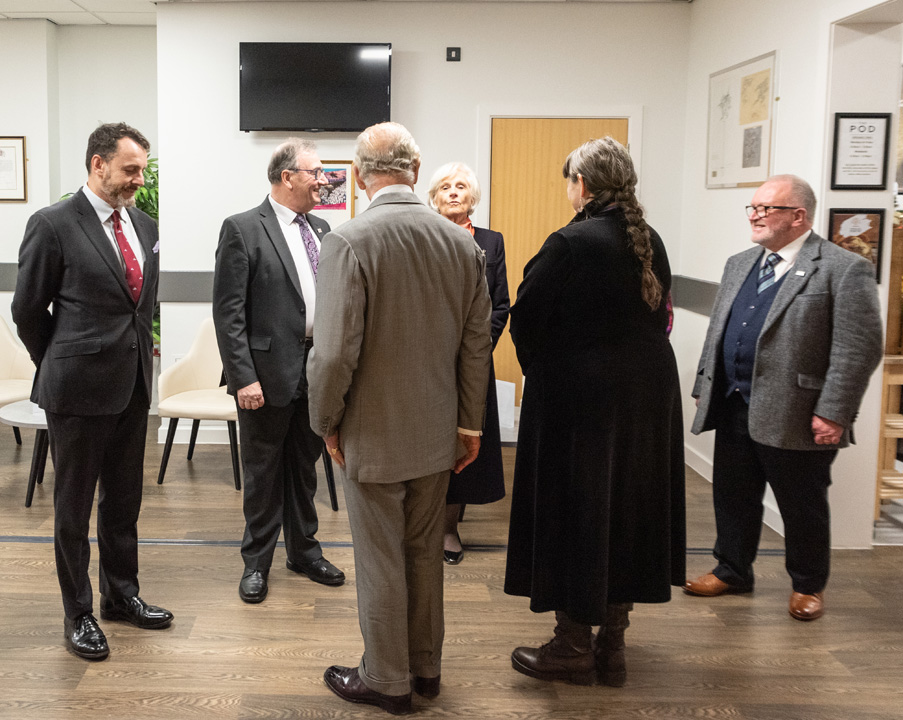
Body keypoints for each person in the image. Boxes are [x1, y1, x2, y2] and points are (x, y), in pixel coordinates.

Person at [308, 122, 492, 715]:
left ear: (360, 177)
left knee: (380, 556)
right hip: (438, 429)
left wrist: (325, 421)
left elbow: (334, 352)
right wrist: (470, 424)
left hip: (373, 431)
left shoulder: (349, 240)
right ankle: (425, 668)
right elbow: (475, 342)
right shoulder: (462, 243)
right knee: (422, 553)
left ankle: (386, 679)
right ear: (416, 171)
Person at [504, 137, 685, 687]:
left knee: (577, 514)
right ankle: (613, 647)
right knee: (624, 513)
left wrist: (546, 372)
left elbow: (526, 318)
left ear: (581, 185)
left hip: (580, 407)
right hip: (647, 402)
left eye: (569, 180)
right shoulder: (647, 239)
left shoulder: (570, 242)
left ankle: (571, 646)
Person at [685, 174, 883, 621]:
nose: (755, 215)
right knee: (733, 494)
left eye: (766, 208)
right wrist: (705, 385)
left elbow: (858, 347)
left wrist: (834, 411)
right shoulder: (740, 263)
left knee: (802, 504)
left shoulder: (842, 268)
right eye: (753, 207)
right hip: (734, 403)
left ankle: (808, 585)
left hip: (798, 411)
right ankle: (733, 569)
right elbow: (720, 328)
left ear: (799, 216)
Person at [11, 122, 173, 660]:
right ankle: (78, 612)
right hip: (77, 388)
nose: (137, 180)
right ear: (97, 164)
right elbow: (27, 310)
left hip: (132, 387)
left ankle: (120, 596)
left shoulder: (144, 226)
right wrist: (56, 360)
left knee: (124, 501)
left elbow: (140, 307)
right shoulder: (53, 223)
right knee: (73, 507)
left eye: (142, 170)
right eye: (130, 170)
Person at [213, 138, 345, 605]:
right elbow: (228, 314)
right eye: (315, 172)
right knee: (264, 473)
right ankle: (257, 563)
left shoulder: (324, 228)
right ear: (287, 176)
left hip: (315, 371)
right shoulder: (243, 229)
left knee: (304, 469)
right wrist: (242, 377)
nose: (322, 180)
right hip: (264, 376)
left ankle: (305, 553)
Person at [427, 162, 509, 564]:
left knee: (466, 444)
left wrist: (475, 351)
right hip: (429, 364)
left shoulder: (492, 243)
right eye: (445, 187)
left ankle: (448, 528)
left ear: (472, 197)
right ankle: (423, 523)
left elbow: (501, 304)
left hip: (475, 365)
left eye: (461, 187)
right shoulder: (422, 237)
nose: (453, 193)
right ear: (434, 197)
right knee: (429, 443)